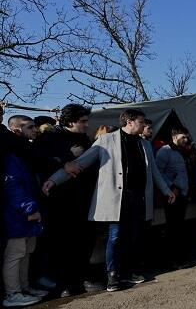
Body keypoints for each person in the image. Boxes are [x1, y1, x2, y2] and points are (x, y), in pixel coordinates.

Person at [41, 109, 176, 292]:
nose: (144, 125)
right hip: (117, 199)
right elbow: (81, 162)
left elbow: (153, 171)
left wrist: (166, 190)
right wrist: (54, 179)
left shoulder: (144, 144)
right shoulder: (106, 141)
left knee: (134, 236)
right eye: (141, 122)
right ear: (129, 122)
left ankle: (129, 271)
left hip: (138, 197)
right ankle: (113, 275)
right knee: (116, 236)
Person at [34, 104, 102, 296]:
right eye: (83, 121)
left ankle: (81, 278)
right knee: (63, 244)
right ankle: (64, 282)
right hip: (60, 202)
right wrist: (66, 158)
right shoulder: (49, 138)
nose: (86, 125)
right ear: (70, 121)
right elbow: (38, 160)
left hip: (84, 199)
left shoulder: (84, 139)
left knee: (84, 241)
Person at [1, 115, 47, 307]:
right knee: (16, 254)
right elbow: (13, 186)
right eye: (30, 127)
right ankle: (13, 294)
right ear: (16, 130)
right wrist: (30, 208)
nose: (35, 130)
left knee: (26, 252)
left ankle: (25, 287)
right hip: (18, 213)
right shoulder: (12, 155)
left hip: (26, 211)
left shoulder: (22, 152)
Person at [156, 127, 191, 268]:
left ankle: (181, 257)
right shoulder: (165, 151)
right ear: (175, 136)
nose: (186, 140)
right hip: (172, 195)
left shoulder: (182, 152)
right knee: (172, 227)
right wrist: (172, 186)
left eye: (187, 137)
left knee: (179, 226)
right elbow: (158, 171)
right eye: (183, 137)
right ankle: (171, 261)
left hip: (182, 194)